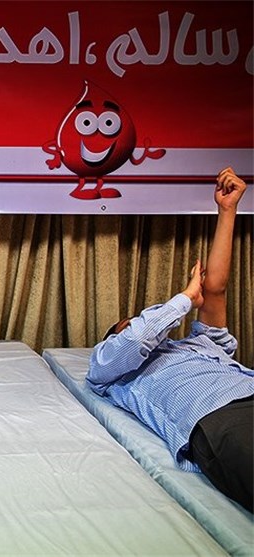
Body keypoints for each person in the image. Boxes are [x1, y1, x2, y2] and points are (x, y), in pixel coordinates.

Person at [87, 166, 252, 512]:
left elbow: (215, 289)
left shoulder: (197, 345)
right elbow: (136, 342)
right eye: (129, 323)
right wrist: (185, 299)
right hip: (218, 417)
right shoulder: (110, 371)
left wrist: (227, 210)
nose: (140, 323)